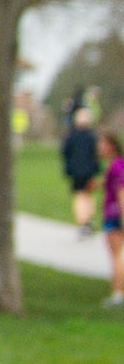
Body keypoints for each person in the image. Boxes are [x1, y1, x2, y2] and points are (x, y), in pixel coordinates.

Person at [63, 106, 101, 239]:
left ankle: (83, 222)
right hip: (89, 171)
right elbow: (96, 154)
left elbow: (65, 153)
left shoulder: (71, 136)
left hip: (76, 172)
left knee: (79, 196)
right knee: (88, 195)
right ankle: (88, 221)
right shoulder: (91, 136)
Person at [98, 132, 124, 308]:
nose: (99, 147)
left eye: (102, 143)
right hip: (113, 213)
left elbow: (121, 191)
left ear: (111, 145)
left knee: (117, 256)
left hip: (115, 215)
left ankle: (117, 293)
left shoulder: (116, 165)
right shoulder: (115, 165)